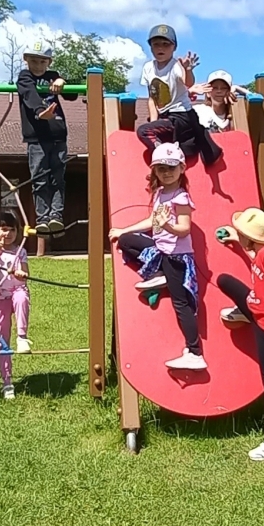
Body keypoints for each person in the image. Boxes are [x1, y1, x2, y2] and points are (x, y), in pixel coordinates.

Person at [108, 143, 204, 370]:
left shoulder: (181, 198)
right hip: (162, 251)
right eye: (161, 169)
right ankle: (159, 274)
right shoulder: (161, 193)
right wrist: (123, 230)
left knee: (181, 304)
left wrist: (167, 225)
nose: (166, 172)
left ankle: (194, 352)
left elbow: (184, 229)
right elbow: (152, 221)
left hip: (177, 257)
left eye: (171, 168)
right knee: (126, 241)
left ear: (182, 168)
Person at [212, 208, 264, 461]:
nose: (239, 234)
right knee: (224, 280)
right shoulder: (260, 252)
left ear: (252, 237)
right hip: (255, 307)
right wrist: (237, 242)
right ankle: (244, 312)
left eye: (242, 233)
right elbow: (254, 259)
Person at [134, 24, 222, 166]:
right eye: (156, 44)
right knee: (148, 129)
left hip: (181, 117)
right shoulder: (148, 67)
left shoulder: (176, 66)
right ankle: (164, 153)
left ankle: (164, 156)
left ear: (174, 47)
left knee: (143, 131)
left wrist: (188, 70)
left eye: (166, 44)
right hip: (165, 117)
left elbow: (187, 82)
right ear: (150, 47)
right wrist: (153, 122)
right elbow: (152, 99)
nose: (160, 48)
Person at [16, 40, 73, 235]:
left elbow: (72, 95)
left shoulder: (52, 76)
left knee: (58, 178)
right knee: (40, 178)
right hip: (37, 137)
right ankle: (43, 217)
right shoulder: (25, 77)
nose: (38, 66)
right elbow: (29, 94)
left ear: (49, 62)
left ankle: (56, 216)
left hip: (58, 135)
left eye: (42, 62)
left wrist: (62, 81)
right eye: (34, 61)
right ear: (26, 60)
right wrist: (40, 111)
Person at [0, 211, 32, 399]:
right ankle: (7, 382)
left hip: (16, 291)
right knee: (1, 336)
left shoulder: (20, 250)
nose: (8, 234)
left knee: (22, 298)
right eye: (4, 229)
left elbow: (26, 274)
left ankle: (22, 337)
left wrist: (21, 274)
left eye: (12, 230)